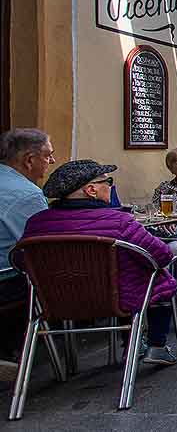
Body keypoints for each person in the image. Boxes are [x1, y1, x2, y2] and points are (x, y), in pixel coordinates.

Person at [23, 160, 177, 365]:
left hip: (54, 302)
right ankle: (156, 346)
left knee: (126, 280)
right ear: (91, 190)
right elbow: (162, 255)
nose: (111, 187)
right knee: (159, 279)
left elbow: (23, 261)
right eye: (108, 182)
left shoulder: (36, 223)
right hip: (117, 298)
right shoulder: (120, 222)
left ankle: (131, 345)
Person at [0, 129, 53, 376]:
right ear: (29, 160)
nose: (52, 161)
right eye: (48, 155)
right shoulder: (26, 193)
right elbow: (44, 247)